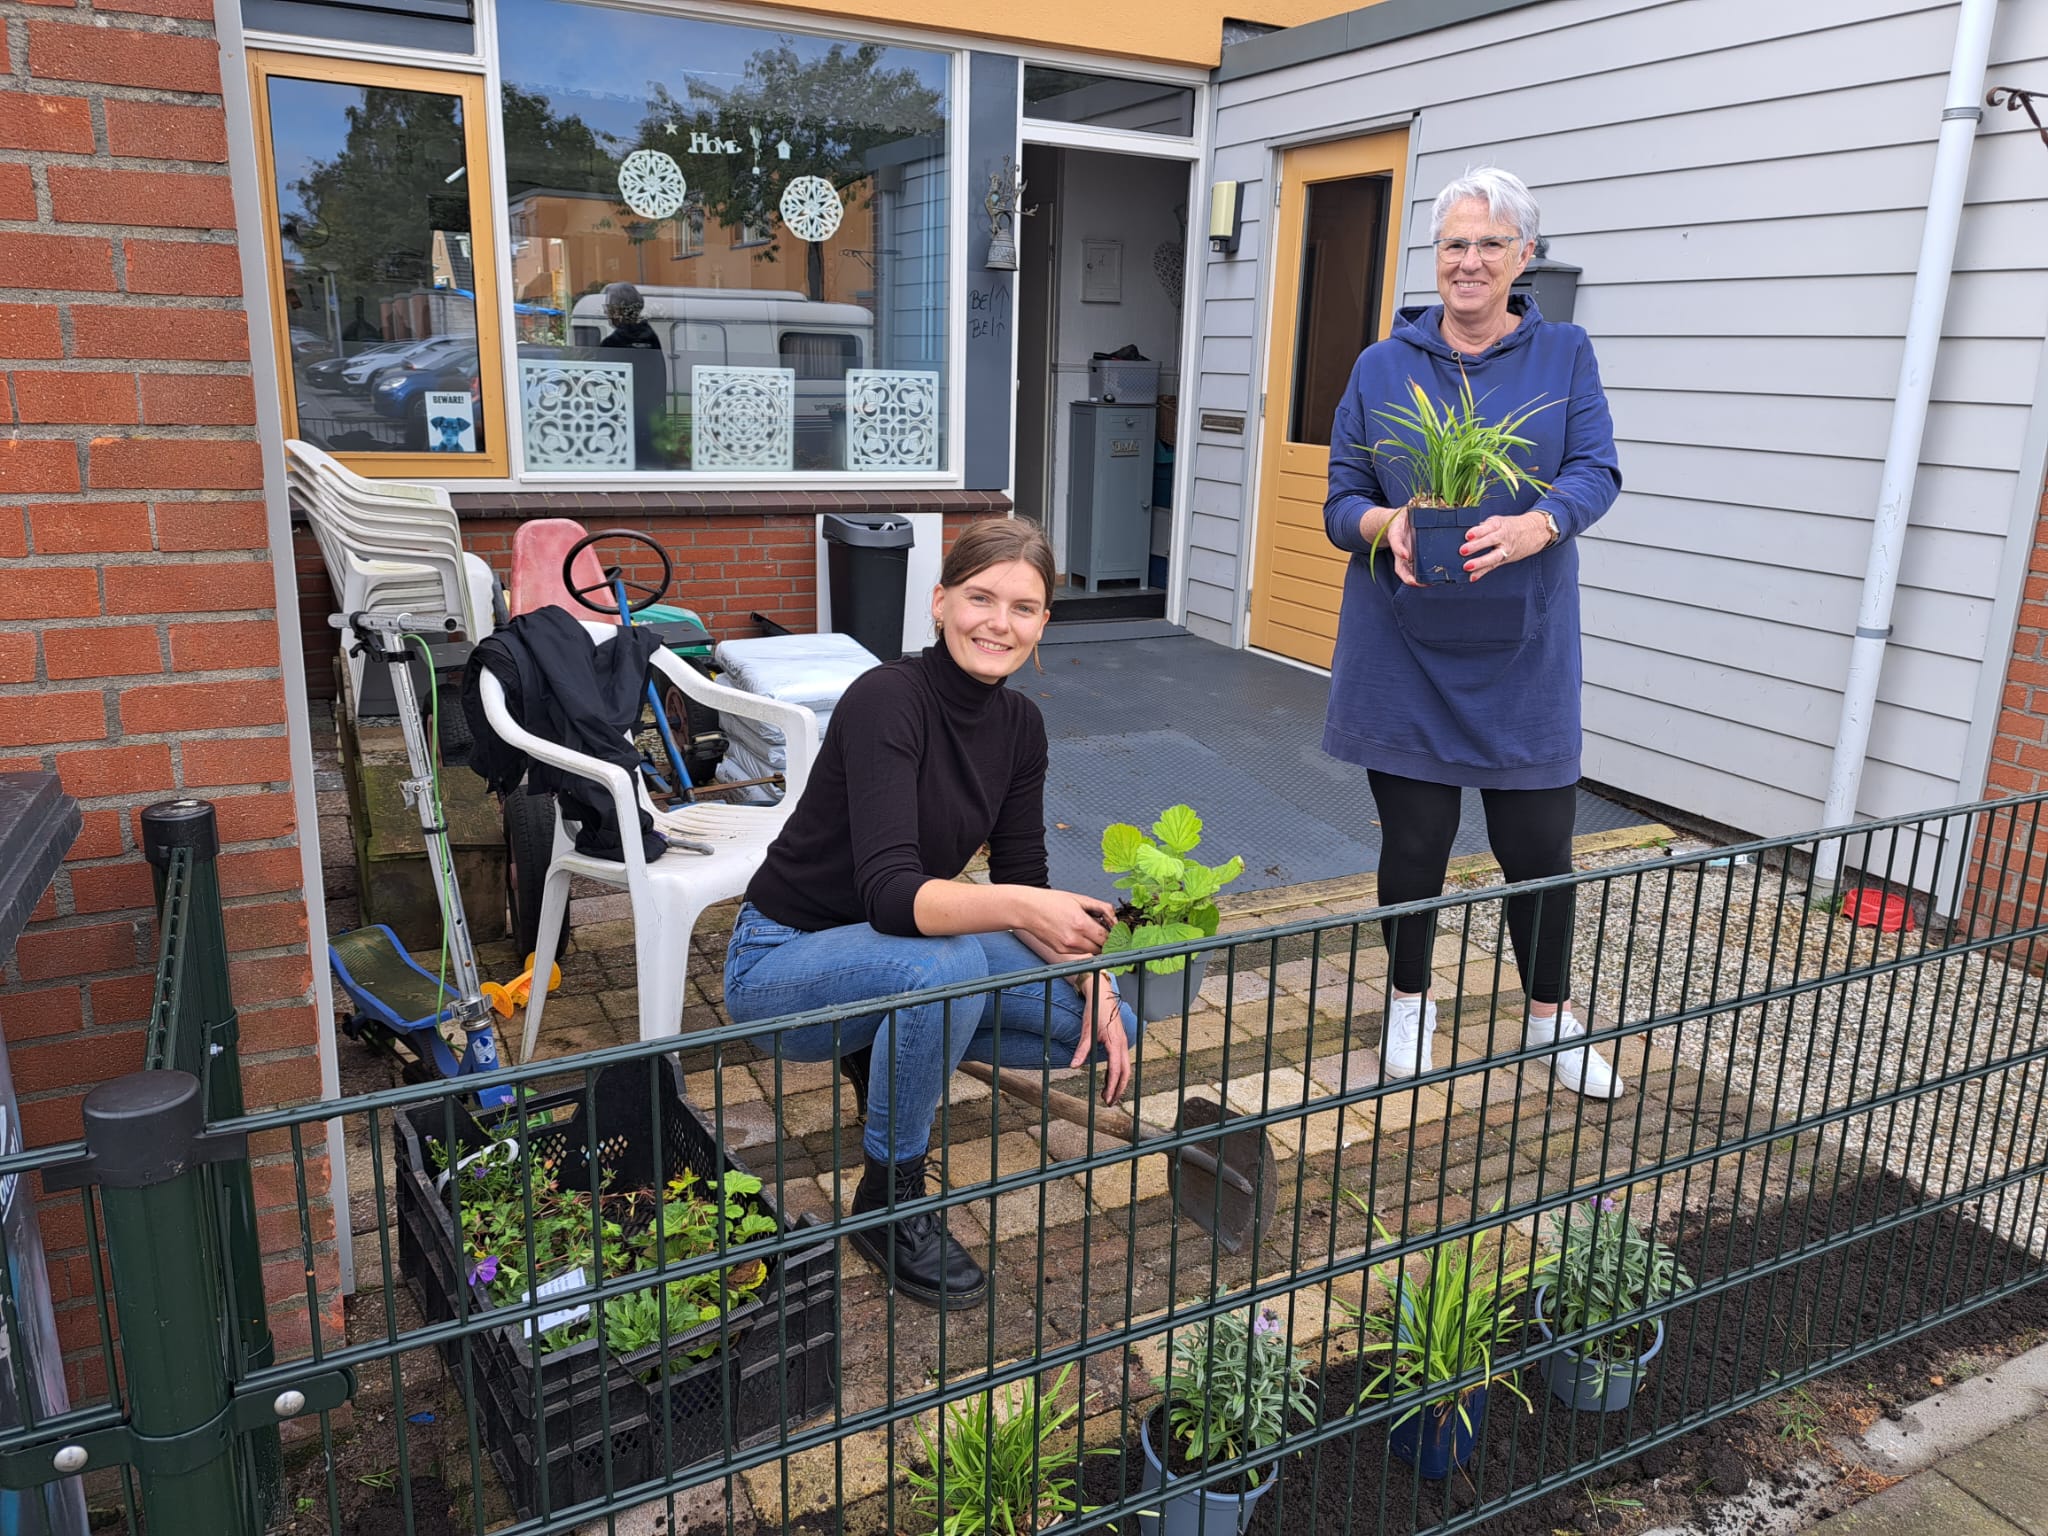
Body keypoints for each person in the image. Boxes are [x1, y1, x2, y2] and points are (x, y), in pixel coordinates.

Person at [722, 520, 1137, 1311]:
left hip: (890, 956)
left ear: (1044, 622)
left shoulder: (1021, 728)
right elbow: (891, 892)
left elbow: (1024, 874)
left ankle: (892, 1045)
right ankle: (890, 1199)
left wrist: (1093, 973)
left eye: (1023, 607)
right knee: (941, 967)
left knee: (1087, 1021)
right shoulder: (888, 699)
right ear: (941, 603)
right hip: (783, 963)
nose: (998, 623)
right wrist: (1027, 907)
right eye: (980, 598)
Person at [1320, 166, 1624, 1100]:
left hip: (1523, 646)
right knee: (1414, 844)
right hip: (1402, 642)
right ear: (1435, 258)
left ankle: (1550, 1020)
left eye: (1490, 243)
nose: (1469, 261)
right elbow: (1340, 498)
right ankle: (1410, 1001)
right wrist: (1388, 526)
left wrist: (1540, 524)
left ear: (1523, 257)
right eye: (1454, 243)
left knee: (1537, 845)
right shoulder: (1383, 365)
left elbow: (1597, 471)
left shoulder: (1563, 354)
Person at [597, 282, 659, 349]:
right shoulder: (651, 338)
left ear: (618, 311)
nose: (606, 312)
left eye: (609, 308)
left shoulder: (611, 343)